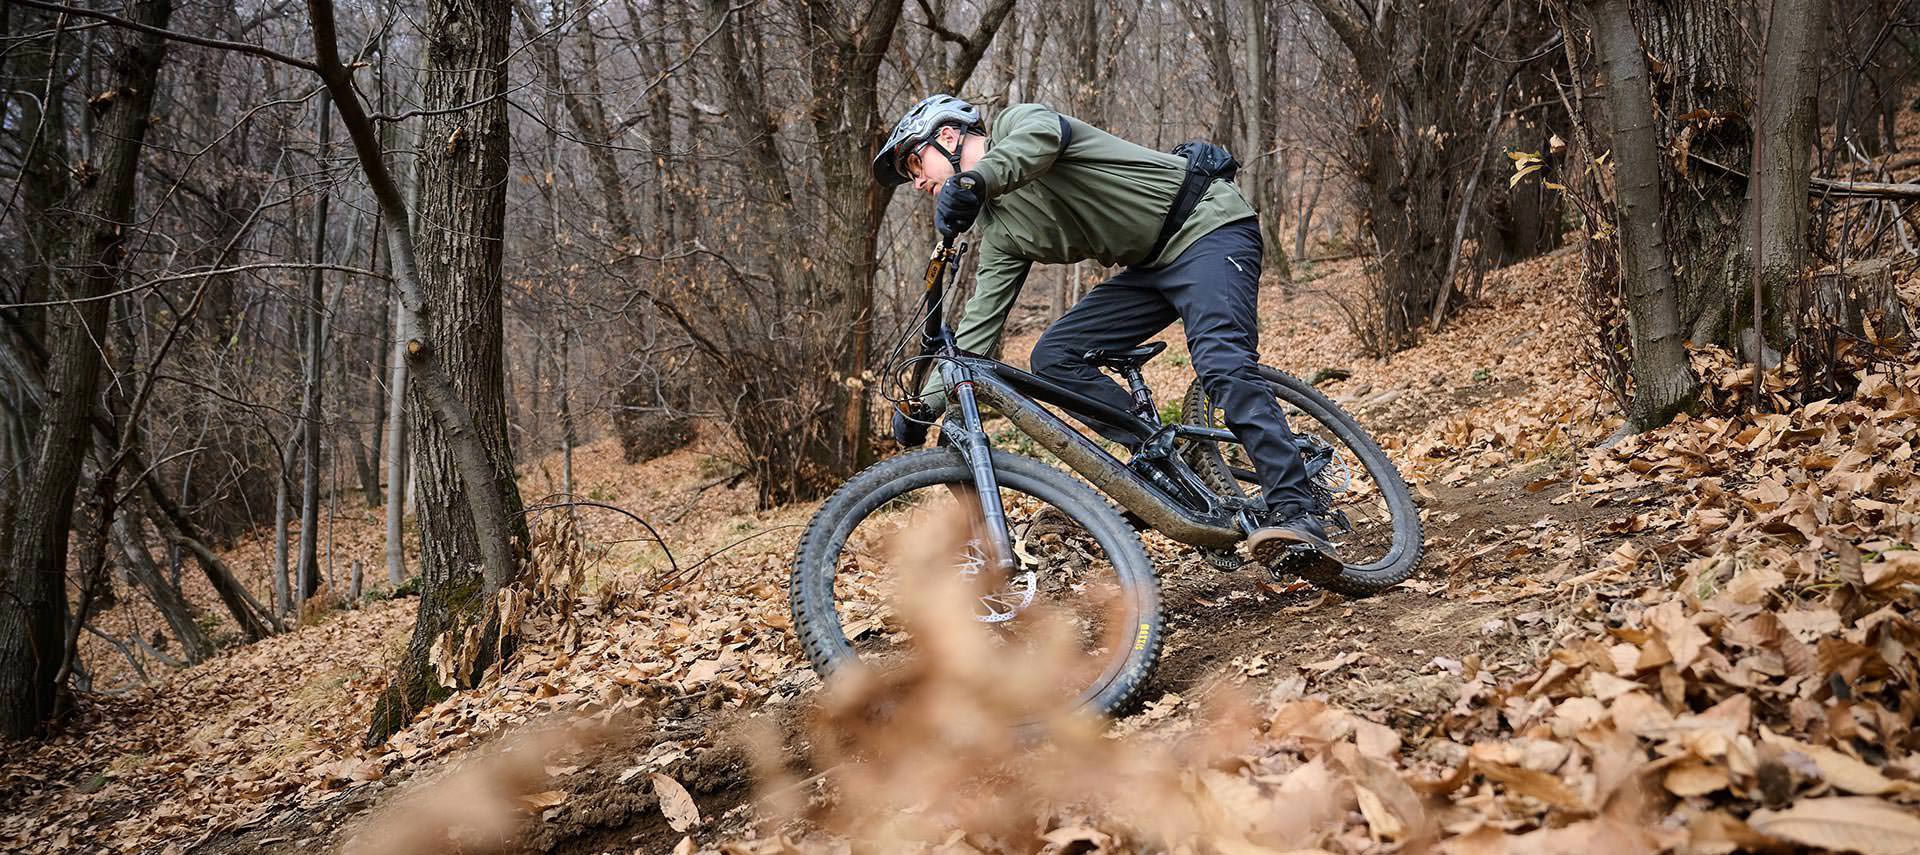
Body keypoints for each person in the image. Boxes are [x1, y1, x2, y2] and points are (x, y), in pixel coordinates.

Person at [872, 94, 1336, 572]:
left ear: (948, 136)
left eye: (914, 161)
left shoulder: (1018, 124)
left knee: (1222, 365)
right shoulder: (1000, 232)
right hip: (1151, 266)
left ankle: (1297, 511)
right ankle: (1163, 458)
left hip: (1206, 227)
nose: (917, 180)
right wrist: (922, 405)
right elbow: (978, 331)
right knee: (1054, 357)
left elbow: (1041, 141)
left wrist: (973, 180)